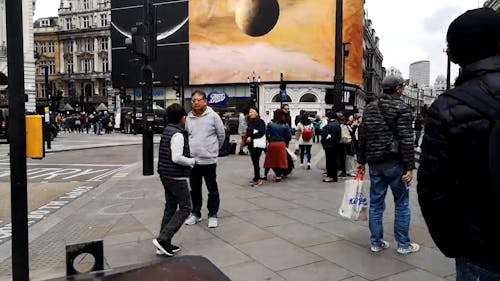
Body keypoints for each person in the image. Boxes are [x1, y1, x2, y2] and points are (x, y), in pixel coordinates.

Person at [417, 8, 500, 281]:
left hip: (483, 248)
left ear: (453, 55)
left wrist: (454, 243)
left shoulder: (448, 107)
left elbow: (433, 189)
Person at [357, 74, 418, 255]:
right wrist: (410, 166)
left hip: (375, 165)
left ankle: (376, 242)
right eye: (402, 87)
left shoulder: (369, 108)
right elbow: (407, 139)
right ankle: (403, 245)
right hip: (395, 164)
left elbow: (363, 136)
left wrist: (361, 161)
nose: (403, 89)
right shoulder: (402, 108)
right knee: (402, 204)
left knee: (376, 204)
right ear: (398, 89)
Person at [153, 103, 195, 257]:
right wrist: (191, 161)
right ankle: (163, 239)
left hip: (165, 174)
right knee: (185, 208)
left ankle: (163, 244)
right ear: (183, 118)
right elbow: (176, 158)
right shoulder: (178, 134)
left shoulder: (167, 130)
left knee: (170, 207)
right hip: (176, 176)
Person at [184, 90, 225, 228]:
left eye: (198, 100)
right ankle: (196, 214)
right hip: (193, 161)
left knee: (212, 189)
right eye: (193, 100)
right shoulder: (188, 118)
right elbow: (187, 136)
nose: (195, 102)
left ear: (205, 101)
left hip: (209, 160)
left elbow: (221, 135)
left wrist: (212, 150)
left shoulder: (213, 116)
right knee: (194, 189)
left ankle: (213, 214)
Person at [264, 109, 292, 182]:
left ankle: (265, 175)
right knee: (279, 161)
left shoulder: (270, 124)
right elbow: (289, 136)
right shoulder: (285, 125)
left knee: (269, 160)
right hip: (281, 144)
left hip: (272, 144)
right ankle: (278, 176)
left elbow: (266, 134)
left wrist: (268, 139)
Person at [245, 107, 266, 186]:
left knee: (256, 161)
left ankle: (257, 178)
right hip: (251, 144)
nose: (251, 114)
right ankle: (256, 177)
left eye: (252, 112)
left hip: (257, 145)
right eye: (250, 112)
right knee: (254, 161)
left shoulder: (260, 122)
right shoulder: (250, 122)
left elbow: (262, 132)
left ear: (257, 113)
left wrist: (252, 137)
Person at [321, 112, 341, 182]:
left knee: (329, 162)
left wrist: (324, 144)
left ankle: (330, 176)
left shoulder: (328, 126)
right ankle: (334, 177)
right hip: (336, 145)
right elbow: (339, 137)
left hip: (329, 146)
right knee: (334, 161)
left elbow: (324, 135)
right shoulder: (337, 125)